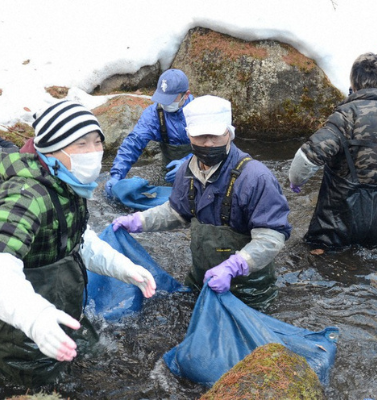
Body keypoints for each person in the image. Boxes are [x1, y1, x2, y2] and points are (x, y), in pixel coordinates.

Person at [0, 100, 156, 385]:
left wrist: (124, 268)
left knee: (92, 363)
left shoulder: (68, 184)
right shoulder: (27, 196)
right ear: (51, 150)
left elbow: (78, 239)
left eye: (97, 142)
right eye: (81, 144)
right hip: (21, 329)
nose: (94, 153)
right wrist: (35, 318)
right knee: (35, 386)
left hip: (66, 310)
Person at [111, 95, 290, 313]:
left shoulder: (256, 178)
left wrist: (234, 266)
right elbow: (176, 212)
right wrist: (139, 221)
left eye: (215, 136)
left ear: (229, 133)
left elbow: (271, 238)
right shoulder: (186, 170)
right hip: (200, 279)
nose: (208, 143)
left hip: (249, 290)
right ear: (189, 135)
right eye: (200, 136)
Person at [288, 52, 377, 249]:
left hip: (335, 225)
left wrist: (296, 181)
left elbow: (308, 157)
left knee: (311, 261)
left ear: (353, 81)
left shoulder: (347, 115)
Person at [105, 69, 195, 199]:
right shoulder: (154, 114)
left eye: (169, 99)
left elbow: (215, 148)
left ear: (186, 95)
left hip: (202, 167)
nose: (164, 103)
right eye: (162, 98)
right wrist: (117, 174)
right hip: (170, 171)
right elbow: (134, 142)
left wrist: (188, 164)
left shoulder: (199, 112)